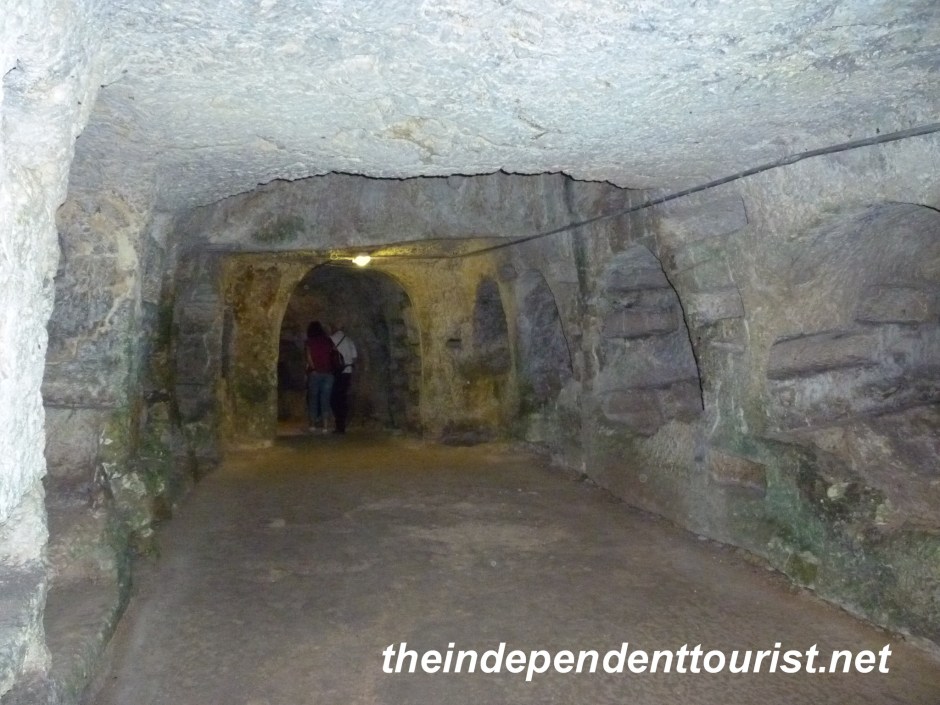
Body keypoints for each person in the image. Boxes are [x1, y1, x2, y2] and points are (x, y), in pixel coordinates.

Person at [305, 321, 334, 433]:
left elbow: (309, 357)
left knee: (313, 399)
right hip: (328, 373)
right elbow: (332, 354)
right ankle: (325, 426)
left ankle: (313, 425)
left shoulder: (310, 342)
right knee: (325, 399)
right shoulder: (328, 341)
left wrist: (314, 368)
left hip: (315, 373)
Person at [329, 324, 358, 434]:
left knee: (334, 399)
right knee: (343, 397)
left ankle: (339, 424)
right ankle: (342, 424)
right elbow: (354, 357)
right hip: (347, 371)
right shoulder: (349, 340)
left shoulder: (331, 339)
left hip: (337, 373)